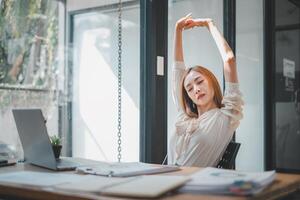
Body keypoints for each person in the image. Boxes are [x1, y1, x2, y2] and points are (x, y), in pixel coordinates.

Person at [169, 14, 244, 167]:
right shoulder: (185, 117)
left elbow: (229, 59)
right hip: (165, 182)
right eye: (189, 88)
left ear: (211, 81)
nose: (196, 89)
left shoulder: (226, 116)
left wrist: (209, 25)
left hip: (193, 187)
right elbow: (177, 68)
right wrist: (178, 30)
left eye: (200, 81)